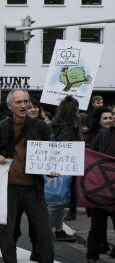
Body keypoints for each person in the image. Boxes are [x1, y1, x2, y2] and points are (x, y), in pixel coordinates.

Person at [0, 89, 68, 263]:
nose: (23, 106)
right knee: (8, 231)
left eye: (26, 102)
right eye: (19, 102)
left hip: (33, 188)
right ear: (10, 106)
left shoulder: (40, 127)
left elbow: (47, 156)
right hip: (8, 188)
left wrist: (51, 170)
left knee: (44, 232)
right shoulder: (0, 128)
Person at [79, 109, 115, 263]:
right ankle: (91, 262)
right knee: (96, 229)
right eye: (113, 114)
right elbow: (92, 155)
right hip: (101, 190)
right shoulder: (103, 134)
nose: (113, 117)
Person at [49, 96, 81, 239]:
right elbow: (66, 148)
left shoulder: (56, 123)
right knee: (57, 200)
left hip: (57, 165)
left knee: (56, 199)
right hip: (64, 167)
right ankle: (50, 231)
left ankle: (56, 229)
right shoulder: (68, 127)